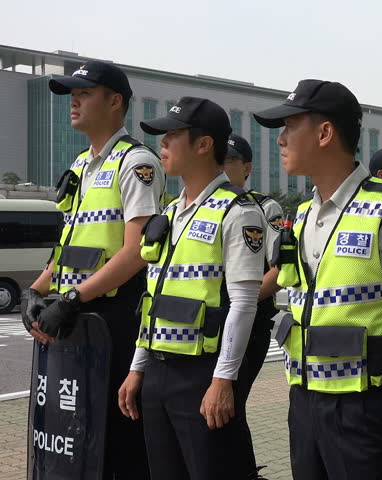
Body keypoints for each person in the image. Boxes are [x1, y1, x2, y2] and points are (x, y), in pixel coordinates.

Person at [253, 79, 382, 479]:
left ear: (325, 133)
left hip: (367, 404)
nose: (281, 140)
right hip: (303, 398)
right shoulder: (304, 215)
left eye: (290, 128)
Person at [22, 59, 163, 479]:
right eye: (72, 95)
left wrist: (71, 298)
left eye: (84, 94)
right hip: (74, 320)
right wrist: (36, 290)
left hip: (113, 321)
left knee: (115, 443)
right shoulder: (82, 165)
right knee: (75, 437)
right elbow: (71, 244)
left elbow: (136, 252)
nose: (74, 103)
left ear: (114, 101)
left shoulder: (136, 163)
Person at [117, 96, 266, 480]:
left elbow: (244, 304)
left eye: (171, 136)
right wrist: (138, 368)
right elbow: (153, 299)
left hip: (203, 374)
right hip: (159, 372)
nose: (162, 145)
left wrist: (223, 380)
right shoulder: (168, 214)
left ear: (204, 145)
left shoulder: (239, 211)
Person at [221, 132, 284, 478]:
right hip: (213, 321)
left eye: (230, 160)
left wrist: (239, 301)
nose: (223, 166)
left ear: (246, 168)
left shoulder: (264, 207)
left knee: (232, 400)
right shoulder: (205, 206)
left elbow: (278, 270)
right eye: (220, 159)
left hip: (250, 317)